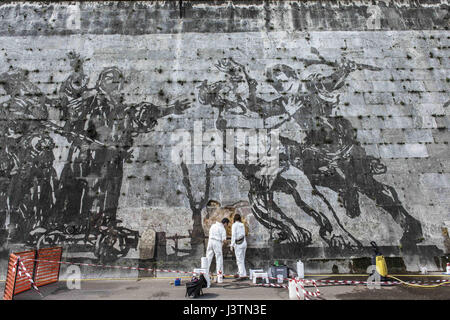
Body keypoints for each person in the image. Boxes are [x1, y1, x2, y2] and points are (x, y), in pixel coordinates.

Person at [231, 214, 247, 278]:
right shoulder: (242, 225)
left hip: (238, 244)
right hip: (244, 243)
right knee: (242, 259)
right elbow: (243, 234)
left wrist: (232, 245)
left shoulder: (234, 225)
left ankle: (241, 274)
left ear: (234, 219)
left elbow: (233, 235)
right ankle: (243, 273)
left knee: (239, 260)